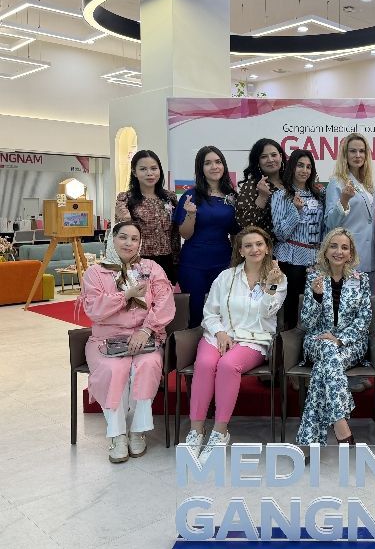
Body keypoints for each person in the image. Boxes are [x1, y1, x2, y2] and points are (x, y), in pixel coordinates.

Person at [184, 226, 287, 463]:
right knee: (205, 364)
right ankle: (196, 431)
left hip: (253, 339)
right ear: (240, 251)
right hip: (219, 335)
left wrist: (270, 286)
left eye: (259, 244)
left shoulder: (278, 278)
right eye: (248, 245)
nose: (254, 249)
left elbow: (267, 313)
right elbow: (210, 312)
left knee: (228, 365)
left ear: (267, 248)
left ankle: (220, 432)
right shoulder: (226, 277)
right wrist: (220, 332)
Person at [79, 221, 175, 463]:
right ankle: (117, 434)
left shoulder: (151, 268)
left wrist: (146, 330)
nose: (129, 243)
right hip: (106, 339)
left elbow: (165, 302)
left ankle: (138, 431)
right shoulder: (96, 272)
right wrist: (126, 295)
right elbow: (94, 309)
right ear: (112, 239)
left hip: (145, 337)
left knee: (148, 365)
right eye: (123, 237)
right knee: (114, 369)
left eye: (134, 239)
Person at [296, 228, 372, 446]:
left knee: (326, 364)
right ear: (325, 250)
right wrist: (316, 297)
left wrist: (340, 340)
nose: (339, 251)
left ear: (351, 253)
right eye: (334, 246)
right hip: (318, 340)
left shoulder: (361, 279)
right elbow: (307, 323)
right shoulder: (314, 277)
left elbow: (364, 319)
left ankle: (308, 441)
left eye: (344, 247)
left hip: (350, 344)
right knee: (328, 351)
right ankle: (340, 422)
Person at [173, 146, 241, 327]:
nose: (214, 167)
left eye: (218, 162)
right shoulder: (190, 196)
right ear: (200, 168)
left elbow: (236, 233)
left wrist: (236, 262)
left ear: (224, 165)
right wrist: (191, 215)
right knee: (196, 314)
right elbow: (185, 234)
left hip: (223, 263)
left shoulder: (232, 197)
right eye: (208, 163)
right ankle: (195, 345)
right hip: (193, 264)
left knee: (222, 313)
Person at [271, 149, 325, 330]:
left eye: (309, 167)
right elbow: (280, 234)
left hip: (317, 260)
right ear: (292, 167)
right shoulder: (281, 195)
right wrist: (296, 211)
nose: (305, 170)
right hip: (291, 260)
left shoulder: (319, 194)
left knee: (313, 305)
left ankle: (310, 343)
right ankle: (289, 343)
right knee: (292, 310)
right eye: (300, 165)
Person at [115, 150, 180, 284]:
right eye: (143, 169)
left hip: (167, 261)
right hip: (138, 261)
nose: (149, 173)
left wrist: (176, 260)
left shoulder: (170, 198)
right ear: (134, 172)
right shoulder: (126, 199)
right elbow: (118, 234)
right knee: (142, 296)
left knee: (165, 296)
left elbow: (175, 233)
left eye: (154, 168)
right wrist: (126, 219)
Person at [324, 133, 375, 293]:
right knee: (348, 304)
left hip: (369, 257)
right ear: (345, 154)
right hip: (348, 257)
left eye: (362, 151)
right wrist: (344, 200)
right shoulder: (337, 182)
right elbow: (330, 222)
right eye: (353, 151)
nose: (358, 155)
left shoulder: (369, 185)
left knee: (368, 304)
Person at [235, 138, 287, 240]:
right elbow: (246, 225)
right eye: (264, 157)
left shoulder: (291, 183)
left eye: (274, 155)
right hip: (264, 246)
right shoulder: (251, 186)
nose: (270, 160)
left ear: (280, 156)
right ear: (257, 161)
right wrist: (262, 197)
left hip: (293, 247)